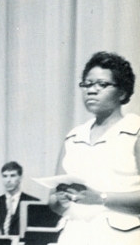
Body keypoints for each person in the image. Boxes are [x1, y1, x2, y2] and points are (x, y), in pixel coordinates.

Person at [49, 52, 140, 245]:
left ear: (122, 92)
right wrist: (60, 199)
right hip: (74, 236)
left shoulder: (135, 131)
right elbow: (53, 201)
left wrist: (101, 198)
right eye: (87, 84)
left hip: (120, 237)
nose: (92, 90)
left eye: (102, 84)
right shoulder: (74, 137)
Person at [0, 161, 39, 236]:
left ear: (20, 178)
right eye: (5, 176)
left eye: (12, 176)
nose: (8, 180)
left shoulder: (33, 203)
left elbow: (37, 234)